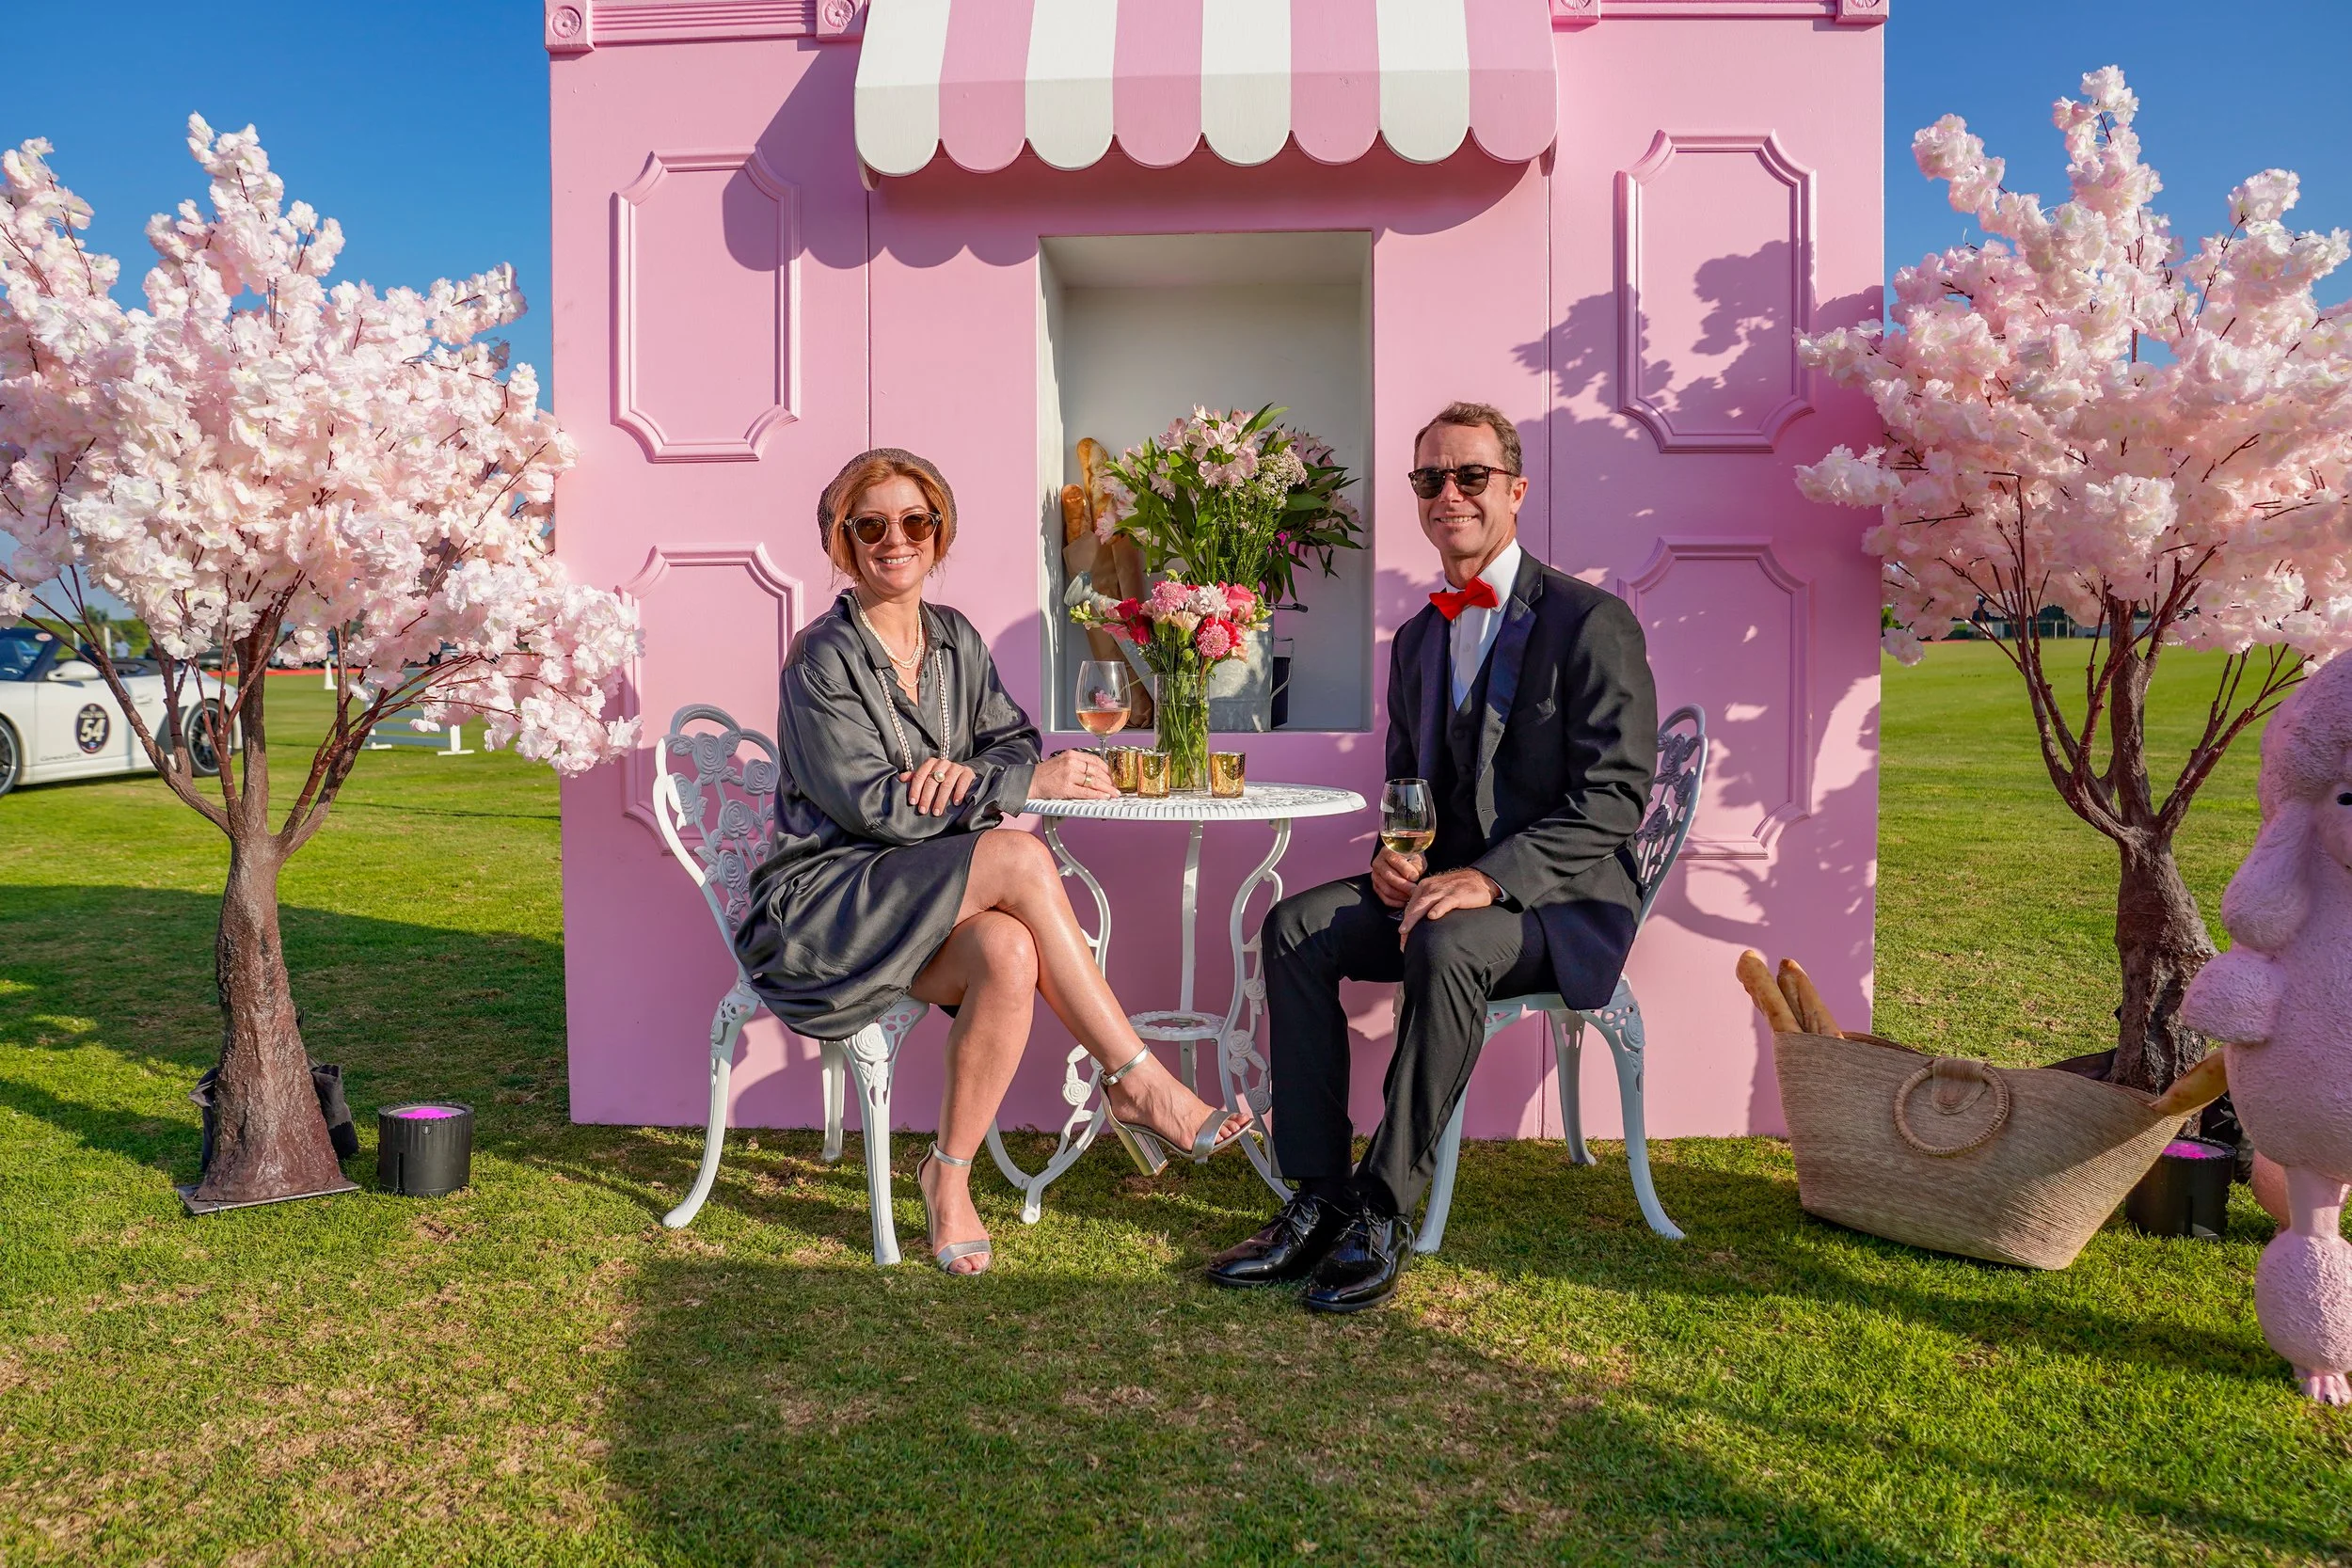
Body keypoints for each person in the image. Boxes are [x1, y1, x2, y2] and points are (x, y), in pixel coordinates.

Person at [736, 449, 1250, 1276]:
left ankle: (948, 1173)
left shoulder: (956, 642)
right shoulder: (821, 659)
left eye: (915, 521)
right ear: (842, 541)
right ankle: (1137, 1078)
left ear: (939, 534)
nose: (894, 539)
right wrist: (989, 785)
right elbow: (876, 807)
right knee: (1015, 852)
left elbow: (1013, 740)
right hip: (825, 910)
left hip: (923, 907)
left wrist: (972, 774)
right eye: (870, 525)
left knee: (1011, 951)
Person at [1205, 403, 1658, 1313]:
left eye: (1470, 476)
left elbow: (1613, 796)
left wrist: (1491, 877)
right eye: (1430, 479)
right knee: (1296, 926)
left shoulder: (1590, 620)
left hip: (1554, 904)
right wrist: (1391, 860)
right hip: (1443, 892)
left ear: (1515, 490)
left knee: (1448, 946)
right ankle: (1319, 1191)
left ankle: (1381, 1209)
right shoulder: (1416, 639)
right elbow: (1405, 791)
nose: (1448, 493)